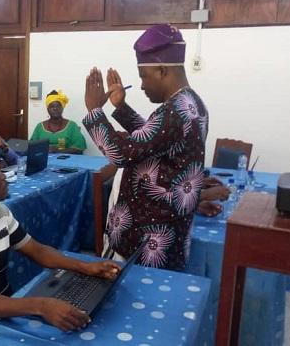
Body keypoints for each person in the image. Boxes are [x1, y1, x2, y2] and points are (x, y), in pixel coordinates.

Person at [0, 146, 121, 341]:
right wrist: (41, 306)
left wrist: (86, 266)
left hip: (5, 312)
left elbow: (37, 251)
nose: (5, 176)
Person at [83, 24, 209, 271]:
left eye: (144, 76)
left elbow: (122, 153)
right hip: (165, 229)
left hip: (150, 239)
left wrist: (94, 111)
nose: (141, 85)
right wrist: (120, 107)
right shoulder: (189, 103)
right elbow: (154, 140)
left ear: (162, 70)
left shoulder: (174, 111)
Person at [30, 90, 87, 154]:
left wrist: (58, 151)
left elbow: (79, 147)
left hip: (66, 160)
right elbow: (32, 146)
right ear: (47, 109)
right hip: (43, 159)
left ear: (62, 108)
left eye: (58, 106)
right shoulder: (40, 126)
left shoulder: (72, 126)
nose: (55, 108)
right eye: (52, 106)